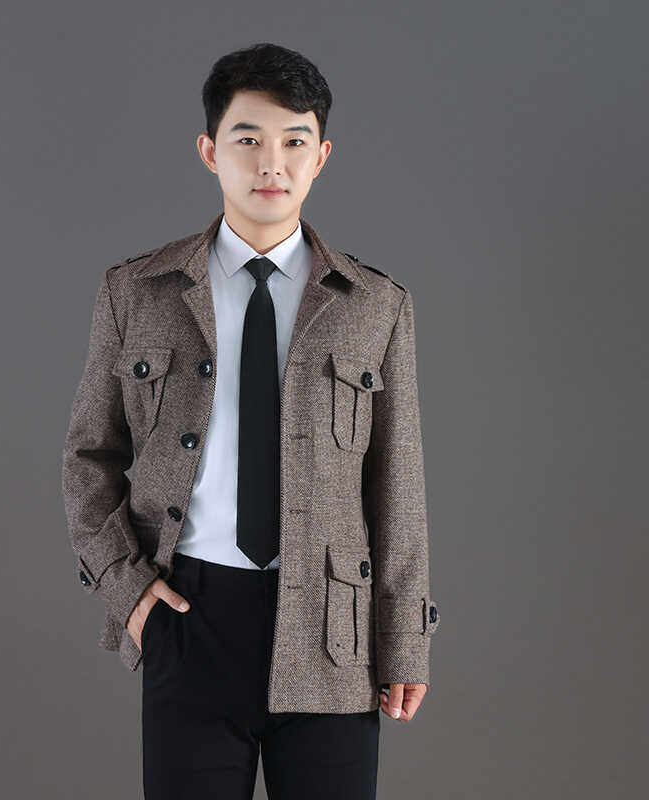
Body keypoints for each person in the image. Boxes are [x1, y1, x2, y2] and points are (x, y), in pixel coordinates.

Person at [62, 41, 440, 799]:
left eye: (294, 141)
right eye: (248, 140)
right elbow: (88, 459)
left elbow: (396, 486)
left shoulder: (375, 305)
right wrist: (128, 590)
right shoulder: (137, 293)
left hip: (332, 632)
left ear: (321, 157)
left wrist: (404, 639)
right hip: (189, 617)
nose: (272, 163)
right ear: (210, 151)